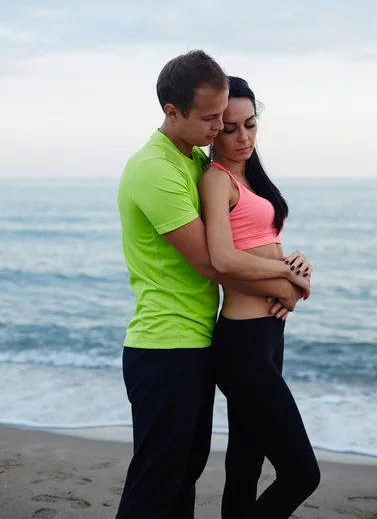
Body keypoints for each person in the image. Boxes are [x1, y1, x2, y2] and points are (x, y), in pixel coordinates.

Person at [116, 51, 309, 519]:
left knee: (184, 478)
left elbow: (245, 238)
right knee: (157, 484)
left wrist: (288, 272)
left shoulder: (189, 162)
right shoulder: (157, 170)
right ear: (171, 111)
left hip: (197, 340)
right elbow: (212, 263)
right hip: (166, 345)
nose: (219, 129)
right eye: (212, 120)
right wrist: (287, 280)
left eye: (228, 118)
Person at [198, 76, 321, 519]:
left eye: (250, 124)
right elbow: (224, 259)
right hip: (242, 344)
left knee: (245, 464)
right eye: (229, 128)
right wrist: (287, 279)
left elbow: (260, 242)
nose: (243, 136)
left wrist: (295, 263)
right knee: (302, 474)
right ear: (214, 129)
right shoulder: (216, 178)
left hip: (269, 338)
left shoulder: (252, 177)